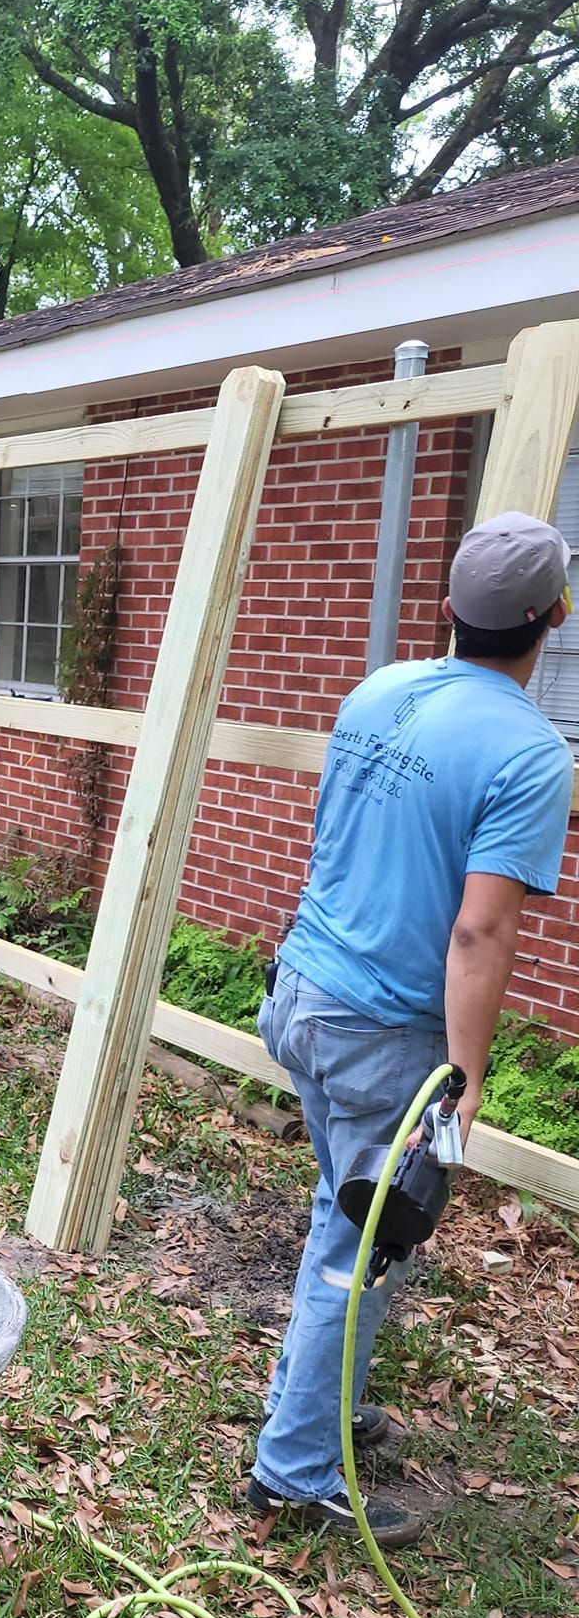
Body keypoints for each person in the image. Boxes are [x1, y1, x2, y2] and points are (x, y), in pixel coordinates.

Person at [248, 510, 575, 1547]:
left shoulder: (378, 688)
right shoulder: (530, 751)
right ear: (553, 619)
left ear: (447, 608)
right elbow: (478, 928)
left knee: (339, 1214)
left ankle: (317, 1408)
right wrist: (464, 1082)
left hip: (299, 991)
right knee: (363, 1249)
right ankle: (294, 1473)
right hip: (378, 1030)